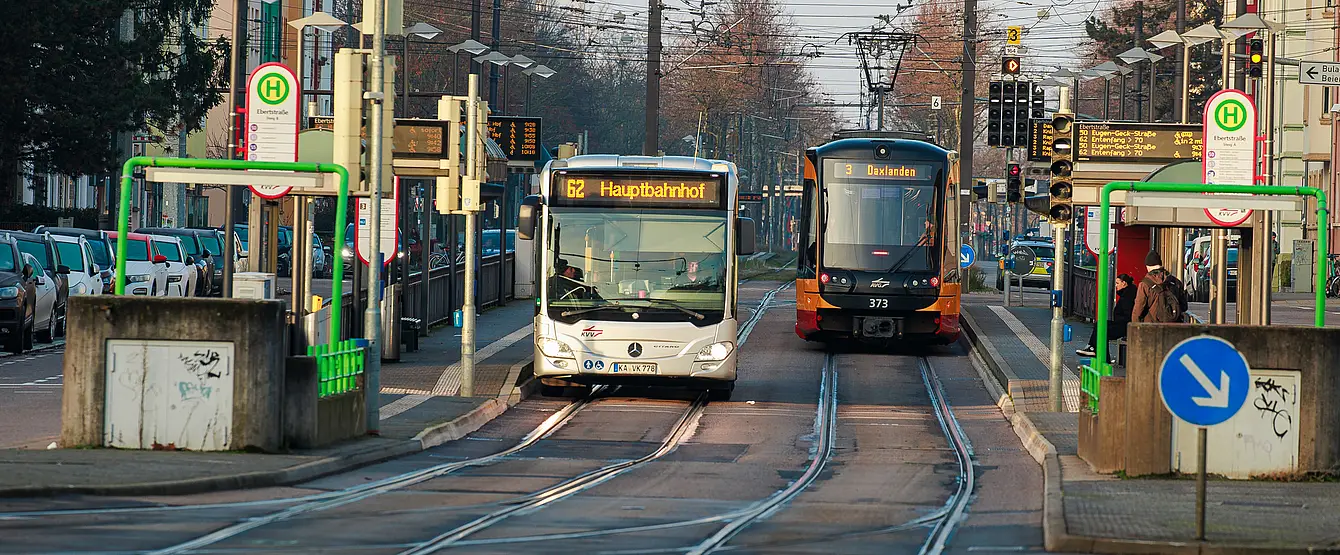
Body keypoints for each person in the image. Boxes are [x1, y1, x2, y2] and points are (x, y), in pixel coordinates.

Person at [1076, 274, 1135, 357]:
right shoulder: (1128, 293)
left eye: (1117, 283)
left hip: (1124, 325)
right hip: (1123, 324)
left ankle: (1094, 349)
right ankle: (1093, 349)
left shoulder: (1127, 297)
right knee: (1100, 325)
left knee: (1102, 328)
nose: (1115, 286)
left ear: (1124, 283)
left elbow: (1127, 314)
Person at [1132, 251, 1188, 323]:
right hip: (1173, 328)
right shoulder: (1176, 282)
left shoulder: (1145, 284)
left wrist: (1135, 327)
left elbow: (1138, 309)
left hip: (1152, 328)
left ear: (1147, 267)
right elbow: (1184, 306)